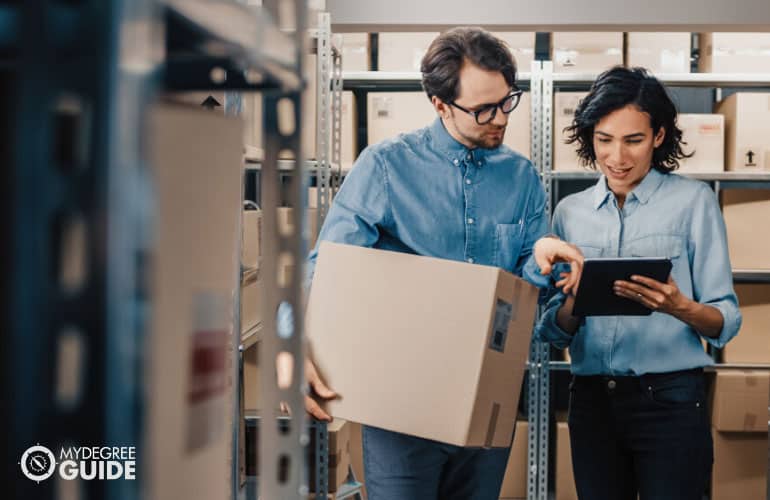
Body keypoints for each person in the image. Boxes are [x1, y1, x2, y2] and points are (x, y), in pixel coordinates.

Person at [303, 27, 583, 500]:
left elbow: (525, 293)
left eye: (506, 102)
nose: (499, 119)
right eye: (482, 110)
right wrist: (297, 339)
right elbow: (326, 268)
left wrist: (539, 261)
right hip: (401, 406)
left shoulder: (522, 179)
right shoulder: (387, 167)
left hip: (486, 402)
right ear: (439, 104)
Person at [535, 66, 742, 500]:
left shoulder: (693, 202)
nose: (617, 158)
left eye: (633, 140)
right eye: (604, 140)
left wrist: (677, 306)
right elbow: (553, 331)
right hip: (592, 402)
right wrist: (573, 299)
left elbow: (725, 320)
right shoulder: (570, 213)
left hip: (670, 399)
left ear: (659, 136)